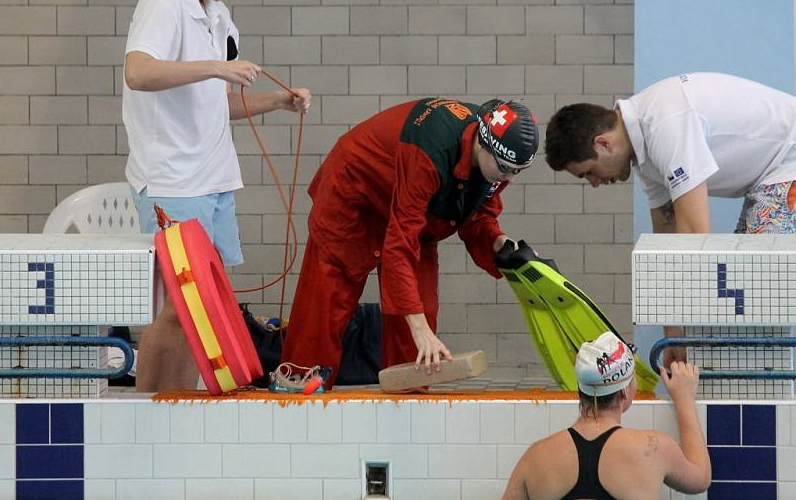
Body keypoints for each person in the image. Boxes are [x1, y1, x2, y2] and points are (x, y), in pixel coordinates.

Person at [122, 0, 311, 392]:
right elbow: (139, 72)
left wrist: (278, 102)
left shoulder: (218, 14)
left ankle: (181, 403)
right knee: (179, 310)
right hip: (172, 180)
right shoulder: (164, 0)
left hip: (213, 178)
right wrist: (214, 67)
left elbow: (217, 103)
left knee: (202, 312)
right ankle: (149, 405)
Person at [281, 97, 539, 388]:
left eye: (518, 171)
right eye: (505, 168)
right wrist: (420, 328)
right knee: (325, 308)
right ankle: (298, 393)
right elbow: (399, 244)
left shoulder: (492, 163)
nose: (510, 179)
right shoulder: (430, 150)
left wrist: (500, 243)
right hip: (354, 196)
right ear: (483, 143)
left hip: (414, 213)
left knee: (421, 316)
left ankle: (408, 399)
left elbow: (478, 217)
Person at [544, 72, 796, 361]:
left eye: (589, 172)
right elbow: (667, 246)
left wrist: (686, 342)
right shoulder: (645, 153)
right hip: (772, 174)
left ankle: (763, 397)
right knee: (740, 297)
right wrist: (673, 339)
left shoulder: (664, 124)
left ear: (603, 144)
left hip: (789, 160)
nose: (595, 183)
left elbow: (696, 239)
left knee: (753, 288)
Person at [502, 332, 711, 500]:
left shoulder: (536, 457)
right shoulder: (654, 448)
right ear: (623, 392)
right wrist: (684, 399)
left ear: (580, 389)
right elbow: (701, 479)